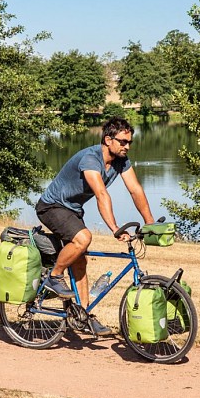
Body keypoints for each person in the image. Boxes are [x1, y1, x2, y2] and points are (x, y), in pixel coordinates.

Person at [35, 117, 154, 336]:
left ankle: (82, 317)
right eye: (123, 142)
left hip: (71, 209)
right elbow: (101, 193)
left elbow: (135, 189)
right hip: (51, 206)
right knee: (83, 238)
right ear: (108, 139)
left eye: (130, 142)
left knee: (80, 261)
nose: (127, 146)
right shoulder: (90, 159)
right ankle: (54, 276)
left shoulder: (121, 161)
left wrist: (150, 223)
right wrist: (114, 228)